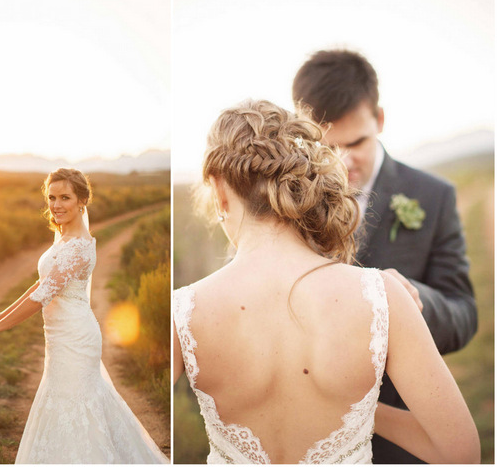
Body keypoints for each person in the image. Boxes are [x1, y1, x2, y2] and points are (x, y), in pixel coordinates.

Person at [173, 100, 479, 464]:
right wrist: (363, 412)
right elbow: (461, 453)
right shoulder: (381, 297)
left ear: (220, 190)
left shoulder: (181, 311)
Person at [292, 49, 478, 463]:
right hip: (305, 434)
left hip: (400, 438)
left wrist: (417, 302)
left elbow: (465, 313)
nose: (342, 161)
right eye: (327, 146)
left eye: (355, 142)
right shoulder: (286, 206)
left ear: (378, 119)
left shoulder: (434, 196)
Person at [0, 168, 168, 464]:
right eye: (51, 198)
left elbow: (41, 297)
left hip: (75, 340)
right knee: (64, 402)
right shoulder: (64, 239)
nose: (56, 205)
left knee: (75, 405)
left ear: (82, 200)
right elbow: (40, 284)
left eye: (65, 197)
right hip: (60, 338)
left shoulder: (78, 247)